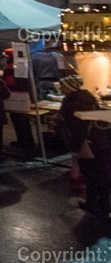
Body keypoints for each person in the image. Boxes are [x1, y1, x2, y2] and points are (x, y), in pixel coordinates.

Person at [59, 74, 105, 217]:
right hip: (98, 140)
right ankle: (103, 203)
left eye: (62, 86)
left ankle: (92, 203)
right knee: (100, 173)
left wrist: (76, 146)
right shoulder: (87, 97)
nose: (60, 88)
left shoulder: (73, 104)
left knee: (90, 174)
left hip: (86, 143)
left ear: (69, 87)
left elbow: (78, 128)